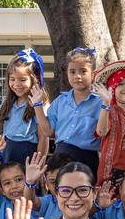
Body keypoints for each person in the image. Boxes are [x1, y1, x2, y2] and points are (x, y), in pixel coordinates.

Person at [33, 47, 102, 176]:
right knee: (61, 192)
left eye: (83, 71)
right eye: (72, 72)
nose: (77, 76)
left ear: (94, 73)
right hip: (61, 156)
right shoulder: (60, 101)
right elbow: (48, 131)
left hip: (87, 158)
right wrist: (37, 105)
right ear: (67, 74)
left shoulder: (100, 103)